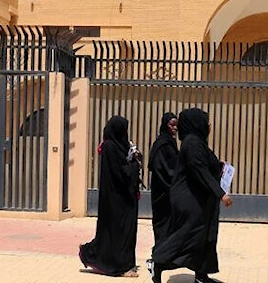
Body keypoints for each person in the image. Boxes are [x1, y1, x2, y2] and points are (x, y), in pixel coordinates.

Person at [149, 108, 233, 283]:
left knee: (204, 238)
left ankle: (201, 275)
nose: (208, 126)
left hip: (199, 199)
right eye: (205, 122)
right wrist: (220, 194)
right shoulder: (192, 143)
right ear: (197, 123)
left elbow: (203, 163)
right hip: (190, 200)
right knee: (189, 236)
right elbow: (198, 170)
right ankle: (158, 263)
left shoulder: (196, 142)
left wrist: (218, 165)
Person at [79, 115, 142, 277]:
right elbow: (121, 172)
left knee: (125, 231)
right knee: (117, 232)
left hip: (124, 198)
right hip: (115, 200)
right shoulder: (109, 147)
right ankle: (118, 267)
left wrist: (135, 158)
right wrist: (134, 165)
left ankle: (120, 262)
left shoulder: (118, 145)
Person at [149, 113, 179, 245]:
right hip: (161, 190)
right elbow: (161, 168)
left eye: (176, 125)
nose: (175, 128)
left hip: (170, 189)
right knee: (162, 221)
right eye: (172, 125)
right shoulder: (162, 144)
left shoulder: (170, 142)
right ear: (165, 125)